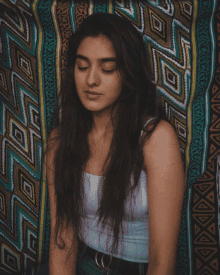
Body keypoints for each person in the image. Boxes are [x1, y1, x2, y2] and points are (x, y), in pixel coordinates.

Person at [35, 12, 186, 275]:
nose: (91, 80)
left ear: (129, 72)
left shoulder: (155, 138)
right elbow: (63, 243)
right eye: (82, 66)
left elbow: (162, 262)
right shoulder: (61, 141)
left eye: (107, 68)